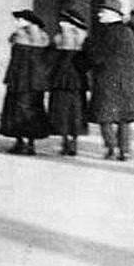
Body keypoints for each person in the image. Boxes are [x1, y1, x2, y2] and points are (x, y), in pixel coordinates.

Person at [84, 0, 134, 161]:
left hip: (107, 80)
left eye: (103, 12)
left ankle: (111, 148)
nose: (100, 15)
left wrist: (87, 49)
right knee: (124, 117)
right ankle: (125, 151)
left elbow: (97, 57)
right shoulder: (129, 32)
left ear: (113, 14)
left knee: (105, 117)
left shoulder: (105, 33)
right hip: (126, 81)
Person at [0, 9, 52, 155]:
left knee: (17, 110)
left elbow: (16, 62)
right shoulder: (43, 38)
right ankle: (30, 144)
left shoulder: (20, 37)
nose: (17, 22)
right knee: (34, 109)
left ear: (28, 21)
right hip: (36, 81)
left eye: (19, 20)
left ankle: (20, 142)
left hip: (19, 80)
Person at [47, 9, 89, 156]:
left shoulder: (61, 38)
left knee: (64, 110)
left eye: (64, 21)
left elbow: (53, 58)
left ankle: (67, 140)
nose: (60, 23)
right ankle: (72, 140)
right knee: (74, 110)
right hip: (76, 80)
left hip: (63, 79)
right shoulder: (83, 39)